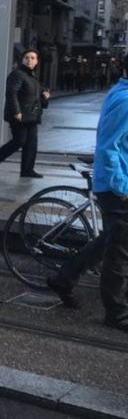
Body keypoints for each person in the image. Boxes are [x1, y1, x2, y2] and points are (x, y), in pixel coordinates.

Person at [90, 58, 128, 332]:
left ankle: (66, 277)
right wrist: (122, 189)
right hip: (118, 190)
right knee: (119, 252)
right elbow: (108, 148)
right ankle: (116, 312)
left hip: (118, 185)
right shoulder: (125, 100)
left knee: (114, 244)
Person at [0, 48, 50, 178]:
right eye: (27, 58)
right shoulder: (17, 74)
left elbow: (37, 96)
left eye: (32, 58)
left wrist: (45, 96)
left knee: (31, 144)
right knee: (19, 141)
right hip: (20, 115)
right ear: (22, 60)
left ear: (36, 61)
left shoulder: (33, 76)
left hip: (32, 115)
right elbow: (12, 93)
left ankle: (27, 170)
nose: (29, 60)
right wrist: (16, 111)